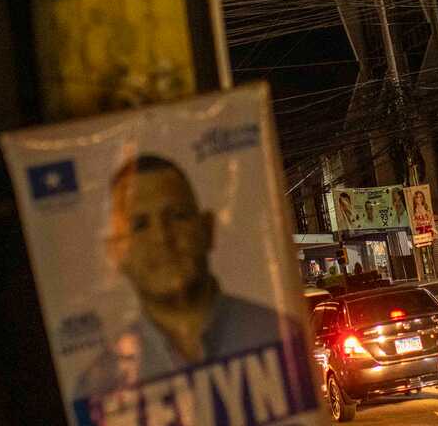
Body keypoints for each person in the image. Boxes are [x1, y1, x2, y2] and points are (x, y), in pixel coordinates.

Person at [75, 154, 283, 397]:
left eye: (176, 215)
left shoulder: (278, 335)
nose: (162, 237)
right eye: (139, 225)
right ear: (116, 253)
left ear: (207, 228)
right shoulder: (99, 387)